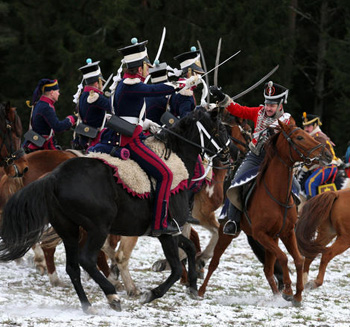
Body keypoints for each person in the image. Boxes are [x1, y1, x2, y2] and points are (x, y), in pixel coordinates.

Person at [97, 37, 195, 236]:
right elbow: (153, 90)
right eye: (146, 66)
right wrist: (182, 84)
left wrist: (146, 124)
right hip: (129, 141)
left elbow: (130, 114)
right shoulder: (132, 86)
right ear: (139, 68)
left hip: (124, 134)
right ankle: (159, 224)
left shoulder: (124, 85)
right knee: (166, 174)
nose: (148, 69)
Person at [210, 81, 293, 236]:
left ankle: (293, 218)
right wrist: (222, 97)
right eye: (267, 104)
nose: (268, 108)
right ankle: (232, 221)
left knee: (294, 186)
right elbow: (239, 110)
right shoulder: (258, 112)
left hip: (276, 161)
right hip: (256, 156)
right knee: (236, 181)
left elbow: (282, 130)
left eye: (272, 105)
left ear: (281, 105)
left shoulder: (287, 119)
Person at [23, 79, 77, 152]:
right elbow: (58, 127)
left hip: (34, 143)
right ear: (52, 92)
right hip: (43, 147)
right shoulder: (46, 107)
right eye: (57, 91)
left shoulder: (39, 103)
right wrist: (72, 119)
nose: (59, 94)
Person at [72, 58, 111, 152]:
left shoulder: (83, 95)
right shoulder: (95, 96)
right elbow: (113, 107)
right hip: (96, 138)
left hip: (86, 137)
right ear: (97, 83)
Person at [301, 112, 342, 198]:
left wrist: (305, 167)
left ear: (315, 125)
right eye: (305, 126)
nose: (306, 129)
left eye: (308, 126)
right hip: (322, 165)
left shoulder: (318, 138)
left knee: (310, 183)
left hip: (328, 166)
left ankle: (312, 207)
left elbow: (315, 158)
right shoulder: (314, 137)